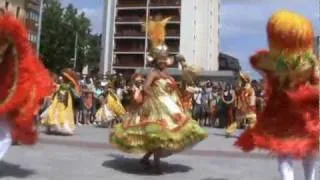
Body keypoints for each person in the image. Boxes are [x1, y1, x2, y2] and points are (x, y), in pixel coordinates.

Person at [109, 16, 207, 174]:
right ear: (155, 61)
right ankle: (156, 165)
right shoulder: (154, 73)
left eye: (164, 59)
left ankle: (146, 159)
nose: (163, 61)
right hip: (157, 107)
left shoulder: (166, 73)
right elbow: (146, 87)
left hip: (169, 105)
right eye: (160, 60)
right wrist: (153, 98)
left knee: (161, 137)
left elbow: (174, 88)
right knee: (158, 134)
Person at [235, 10, 319, 180]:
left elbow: (255, 60)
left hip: (282, 114)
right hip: (305, 115)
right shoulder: (310, 62)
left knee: (285, 152)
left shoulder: (271, 62)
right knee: (309, 149)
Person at [0, 13, 54, 158]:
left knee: (5, 133)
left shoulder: (12, 58)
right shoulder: (11, 58)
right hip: (5, 101)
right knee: (5, 134)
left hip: (6, 99)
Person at [42, 69, 80, 135]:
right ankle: (56, 127)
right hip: (60, 98)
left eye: (63, 77)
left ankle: (62, 128)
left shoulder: (68, 85)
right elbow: (57, 89)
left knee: (62, 112)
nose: (62, 78)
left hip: (64, 98)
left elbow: (64, 90)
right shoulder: (66, 84)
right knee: (57, 111)